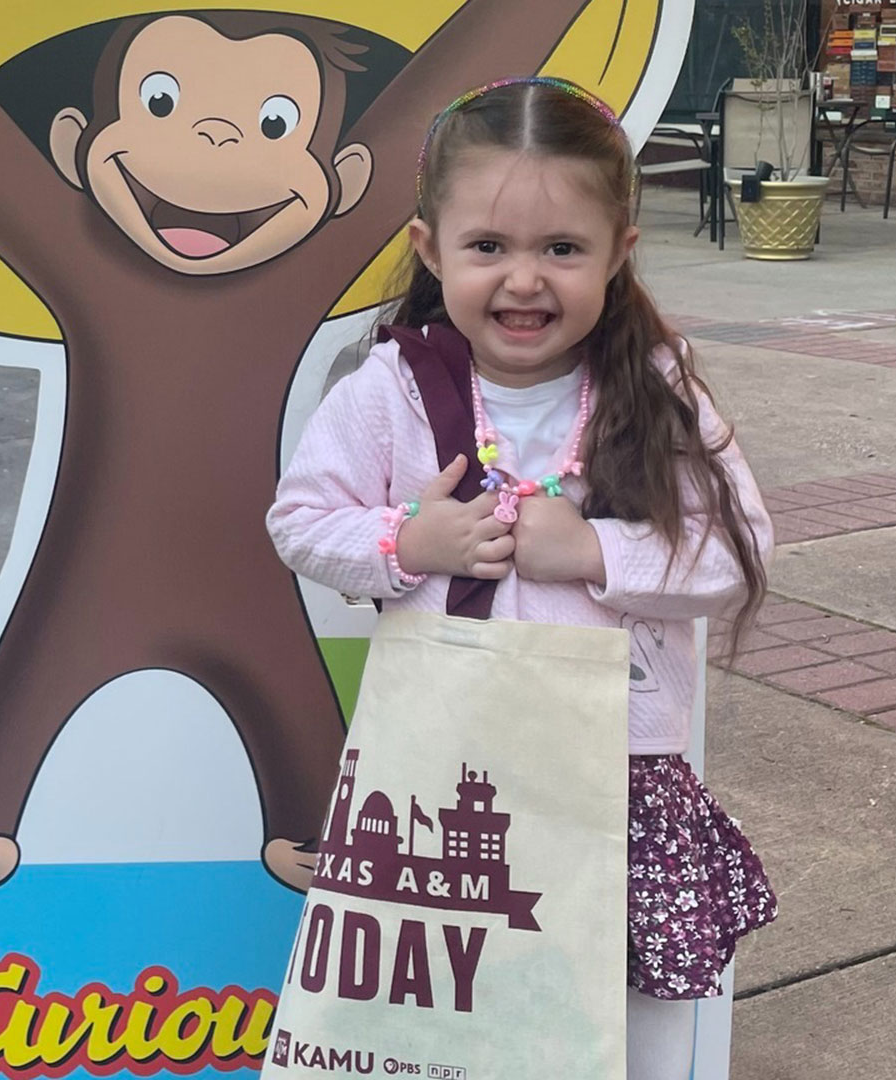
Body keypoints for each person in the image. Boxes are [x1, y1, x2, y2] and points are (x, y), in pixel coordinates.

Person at [267, 78, 776, 1080]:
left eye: (563, 249)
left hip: (618, 771)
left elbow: (737, 548)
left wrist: (595, 553)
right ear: (430, 249)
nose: (524, 281)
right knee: (449, 1007)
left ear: (619, 253)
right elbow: (301, 520)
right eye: (489, 247)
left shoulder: (656, 385)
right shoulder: (392, 393)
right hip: (446, 766)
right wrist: (408, 543)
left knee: (627, 1013)